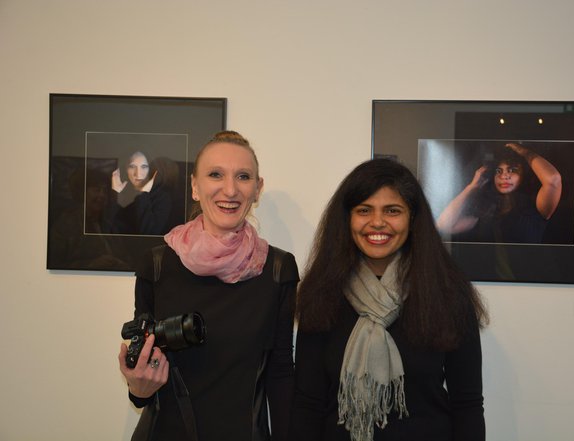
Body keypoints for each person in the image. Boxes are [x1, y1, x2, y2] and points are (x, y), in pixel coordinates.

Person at [118, 131, 299, 441]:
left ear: (257, 189)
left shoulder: (277, 270)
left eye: (243, 176)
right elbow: (144, 372)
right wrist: (138, 387)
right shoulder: (157, 264)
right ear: (195, 187)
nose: (230, 190)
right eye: (216, 174)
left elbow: (280, 373)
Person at [291, 158, 488, 441]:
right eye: (364, 210)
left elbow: (466, 405)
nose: (378, 222)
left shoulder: (447, 293)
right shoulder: (323, 292)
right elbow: (307, 403)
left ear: (412, 218)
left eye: (393, 210)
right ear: (347, 218)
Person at [436, 142, 562, 243]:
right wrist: (472, 187)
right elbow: (443, 225)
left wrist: (524, 152)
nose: (504, 176)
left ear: (524, 176)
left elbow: (553, 179)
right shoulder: (487, 212)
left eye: (512, 170)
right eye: (498, 171)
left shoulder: (536, 207)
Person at [104, 150, 174, 235]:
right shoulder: (122, 193)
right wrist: (115, 193)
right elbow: (105, 230)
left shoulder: (162, 197)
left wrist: (143, 194)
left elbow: (148, 232)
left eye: (144, 166)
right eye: (132, 166)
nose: (138, 173)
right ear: (125, 168)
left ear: (152, 169)